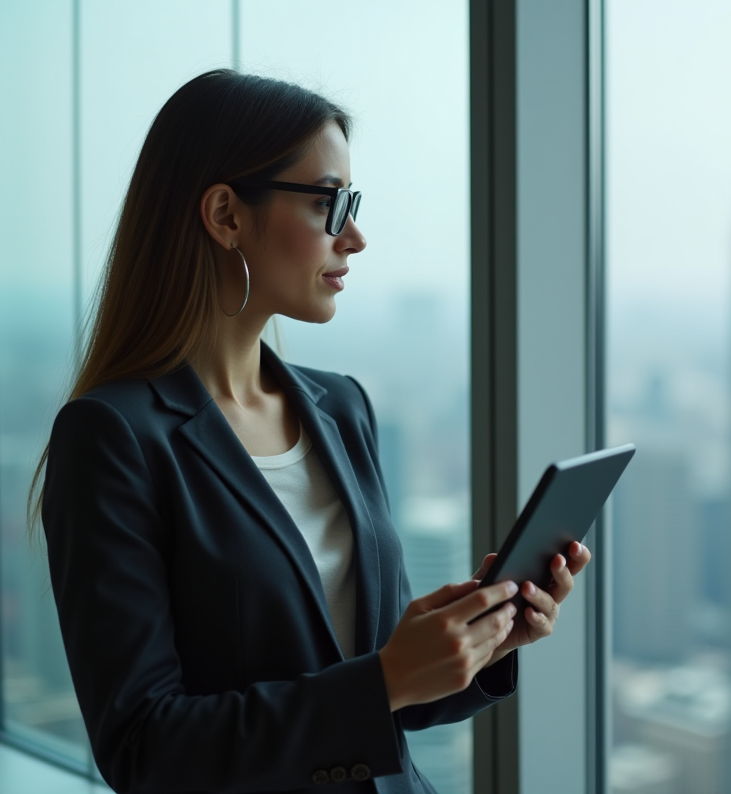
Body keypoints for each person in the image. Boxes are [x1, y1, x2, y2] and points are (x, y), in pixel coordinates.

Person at [34, 69, 591, 794]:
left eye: (351, 204)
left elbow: (373, 682)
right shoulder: (112, 439)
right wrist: (385, 680)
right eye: (330, 203)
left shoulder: (342, 408)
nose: (355, 236)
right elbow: (144, 750)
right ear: (227, 215)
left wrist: (478, 644)